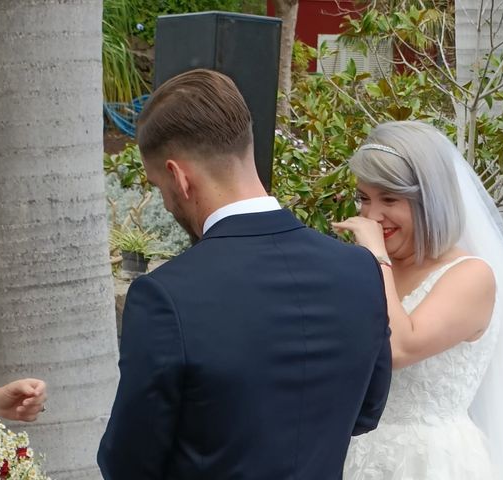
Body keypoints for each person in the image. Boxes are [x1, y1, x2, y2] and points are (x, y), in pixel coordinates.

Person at [97, 69, 392, 480]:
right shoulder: (360, 270)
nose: (165, 202)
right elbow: (367, 411)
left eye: (158, 186)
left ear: (179, 177)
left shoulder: (164, 297)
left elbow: (128, 463)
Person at [333, 120, 503, 479]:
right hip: (354, 453)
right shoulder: (372, 265)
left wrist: (376, 258)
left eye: (390, 199)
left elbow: (398, 347)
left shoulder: (471, 276)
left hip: (431, 462)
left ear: (431, 201)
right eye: (364, 198)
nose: (371, 216)